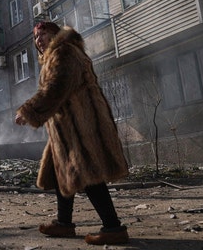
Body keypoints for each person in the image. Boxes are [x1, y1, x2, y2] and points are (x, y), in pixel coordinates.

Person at [15, 22, 130, 245]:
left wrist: (29, 111)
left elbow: (57, 88)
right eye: (36, 38)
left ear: (55, 34)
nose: (39, 41)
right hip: (68, 128)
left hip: (82, 126)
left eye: (43, 34)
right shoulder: (56, 55)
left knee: (88, 172)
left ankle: (113, 227)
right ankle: (64, 224)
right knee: (60, 171)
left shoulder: (64, 52)